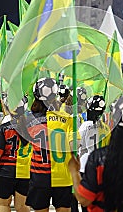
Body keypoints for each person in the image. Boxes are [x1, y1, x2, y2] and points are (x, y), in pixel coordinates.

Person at [24, 77, 76, 212]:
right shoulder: (67, 118)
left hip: (39, 175)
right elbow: (74, 147)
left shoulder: (29, 120)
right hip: (63, 175)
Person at [0, 96, 31, 212]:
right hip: (25, 172)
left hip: (5, 171)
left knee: (3, 204)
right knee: (22, 206)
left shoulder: (4, 128)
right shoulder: (32, 129)